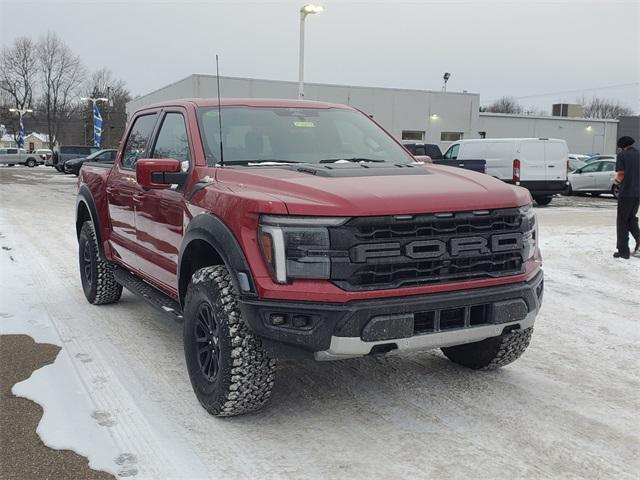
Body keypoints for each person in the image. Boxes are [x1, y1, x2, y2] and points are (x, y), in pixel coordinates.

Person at [613, 136, 640, 259]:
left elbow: (621, 174)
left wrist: (617, 182)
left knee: (622, 221)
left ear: (622, 146)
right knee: (631, 219)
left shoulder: (622, 156)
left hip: (626, 193)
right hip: (637, 193)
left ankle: (623, 251)